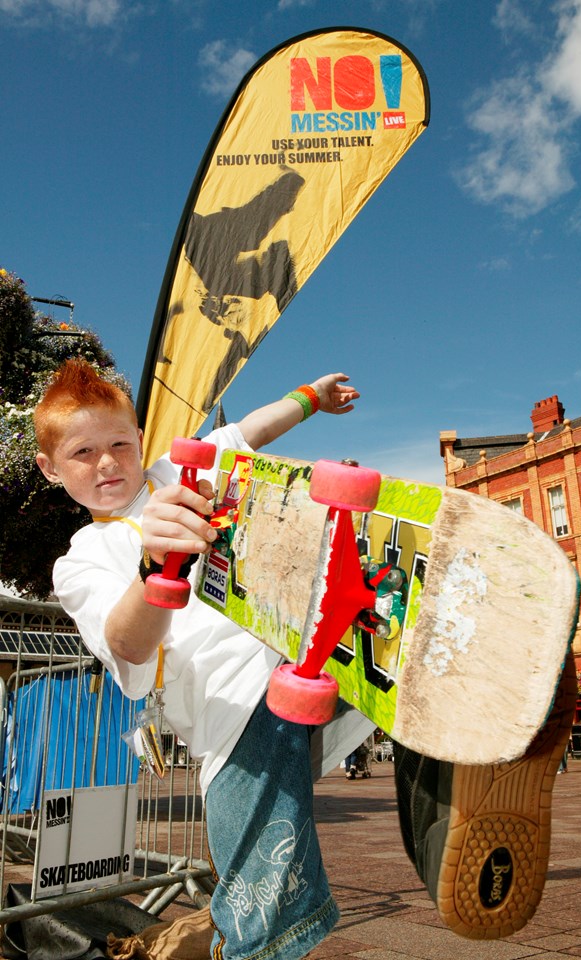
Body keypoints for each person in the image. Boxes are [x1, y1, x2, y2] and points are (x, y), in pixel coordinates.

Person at [34, 359, 375, 960]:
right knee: (257, 901)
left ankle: (471, 764)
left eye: (119, 443)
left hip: (310, 653)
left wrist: (311, 398)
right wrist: (152, 566)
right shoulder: (83, 560)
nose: (108, 462)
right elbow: (126, 643)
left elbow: (249, 432)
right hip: (234, 714)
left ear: (141, 441)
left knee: (409, 676)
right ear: (51, 468)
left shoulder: (177, 470)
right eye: (83, 453)